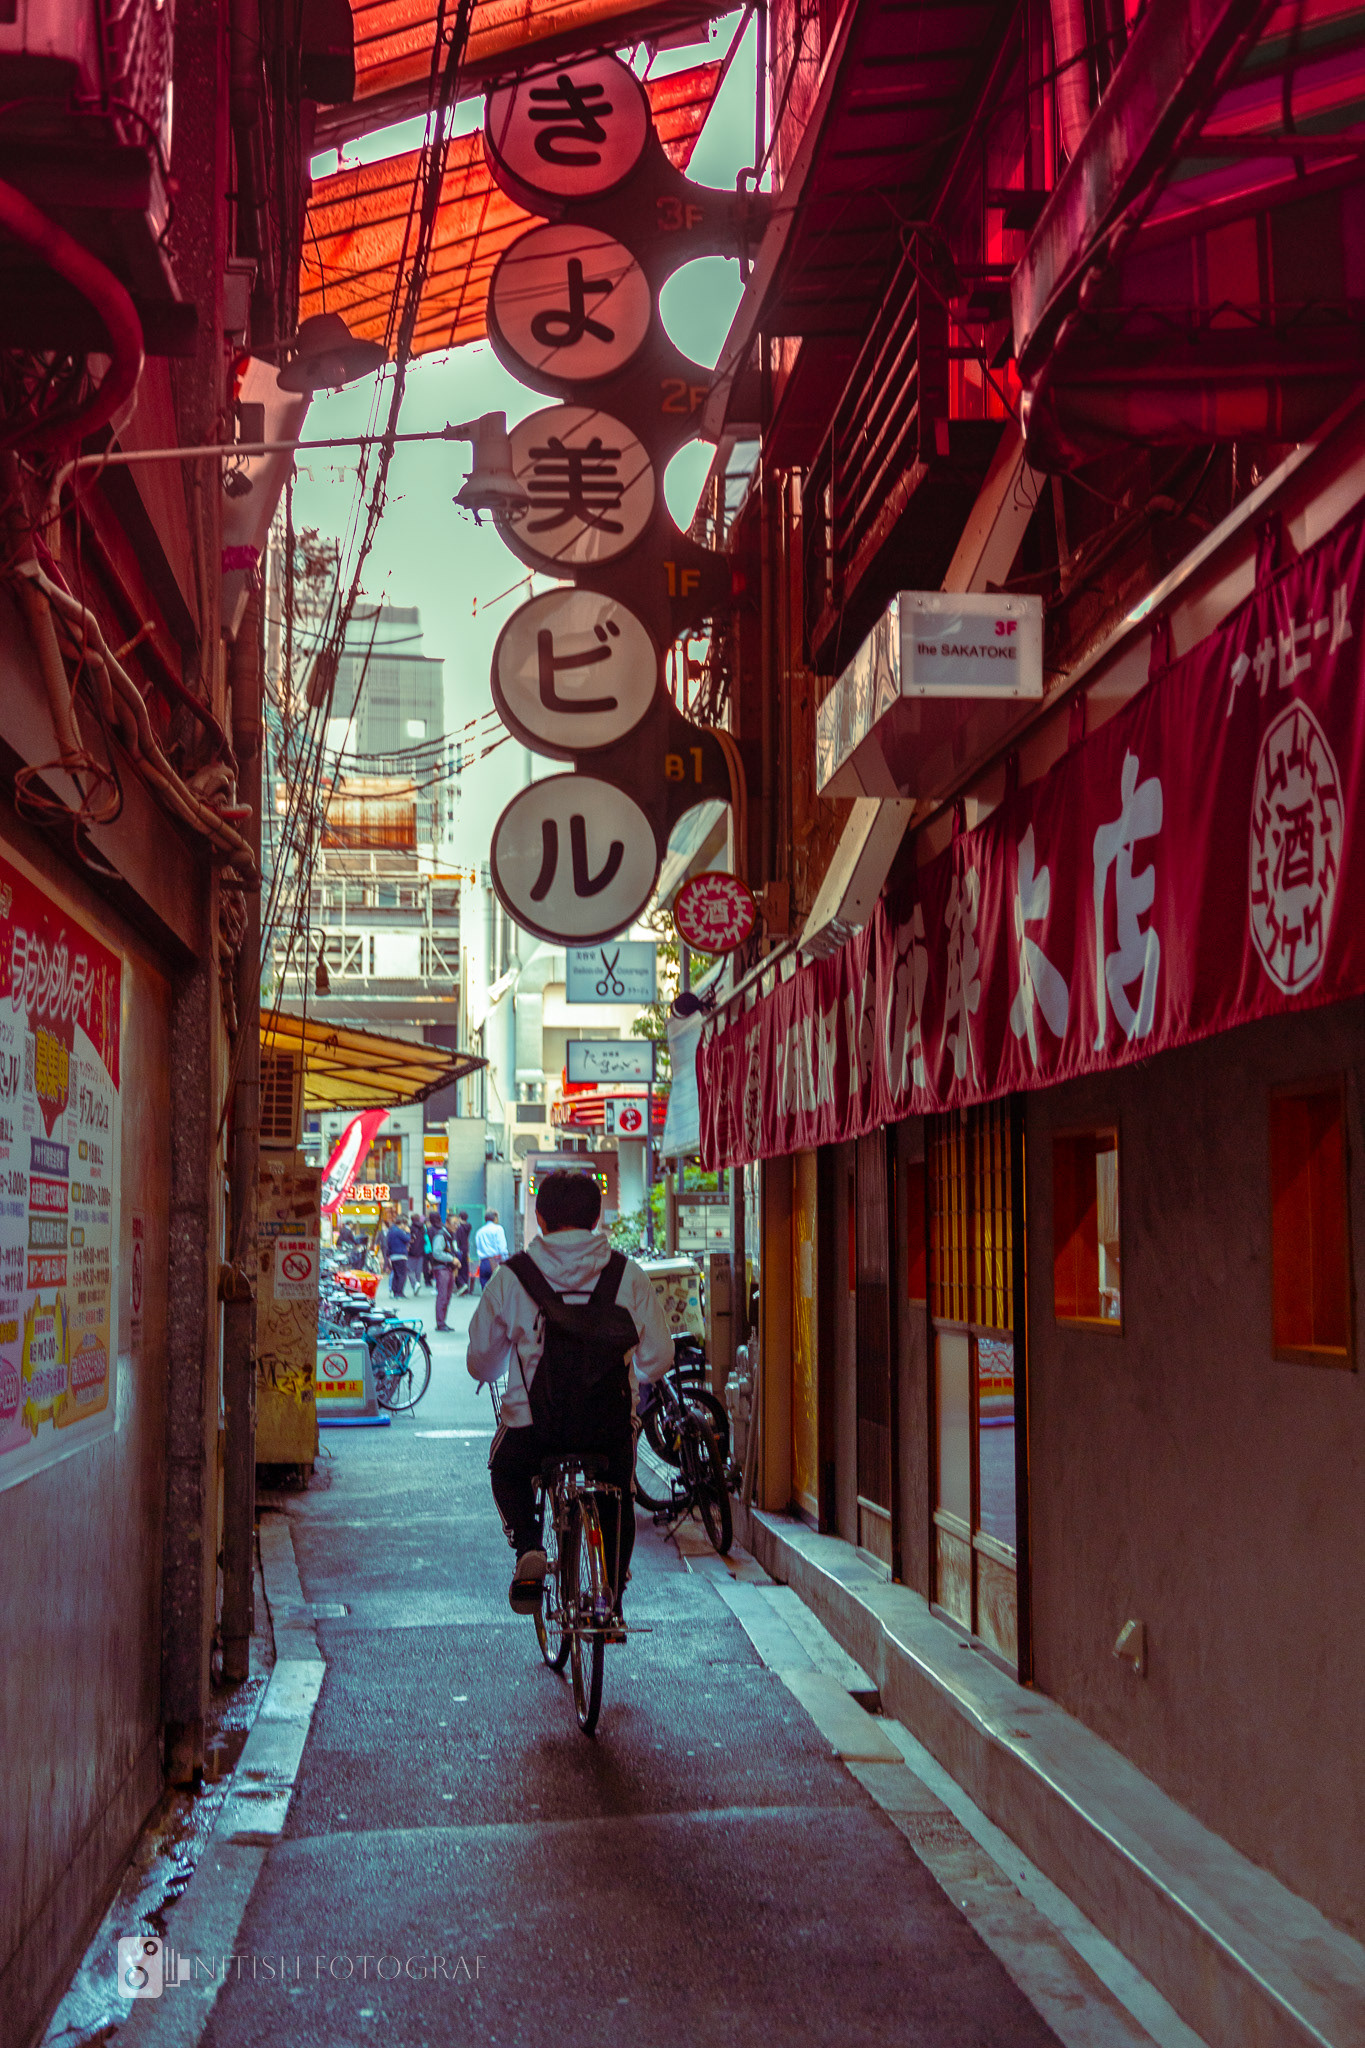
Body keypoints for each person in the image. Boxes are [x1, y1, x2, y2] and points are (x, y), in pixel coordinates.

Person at [467, 1169, 672, 1618]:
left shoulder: (511, 1277)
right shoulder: (627, 1275)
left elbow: (482, 1361)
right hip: (607, 1427)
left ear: (539, 1218)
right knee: (619, 1490)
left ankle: (527, 1547)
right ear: (597, 1218)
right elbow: (658, 1358)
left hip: (534, 1429)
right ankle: (612, 1595)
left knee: (505, 1467)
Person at [430, 1210, 458, 1330]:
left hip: (447, 1268)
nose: (456, 1226)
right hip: (442, 1268)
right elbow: (437, 1252)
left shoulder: (449, 1235)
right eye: (454, 1223)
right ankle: (440, 1323)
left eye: (457, 1224)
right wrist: (451, 1259)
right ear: (447, 1223)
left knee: (446, 1296)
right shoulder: (441, 1235)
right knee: (443, 1296)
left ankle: (442, 1322)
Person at [473, 1209, 508, 1289]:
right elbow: (502, 1248)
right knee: (497, 1291)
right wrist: (505, 1261)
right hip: (495, 1262)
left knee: (485, 1291)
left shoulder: (479, 1232)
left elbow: (478, 1247)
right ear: (495, 1218)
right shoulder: (498, 1229)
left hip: (483, 1263)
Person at [384, 1212, 410, 1297]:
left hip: (393, 1255)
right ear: (402, 1224)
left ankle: (395, 1292)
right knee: (402, 1275)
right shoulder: (399, 1231)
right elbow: (407, 1239)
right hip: (400, 1255)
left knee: (396, 1274)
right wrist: (408, 1232)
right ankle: (399, 1293)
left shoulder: (391, 1230)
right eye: (405, 1225)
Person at [453, 1210, 472, 1295]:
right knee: (465, 1268)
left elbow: (457, 1240)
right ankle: (465, 1285)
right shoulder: (468, 1227)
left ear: (460, 1217)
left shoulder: (459, 1228)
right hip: (466, 1249)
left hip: (460, 1250)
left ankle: (462, 1284)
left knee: (458, 1268)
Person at [407, 1209, 426, 1291]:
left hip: (411, 1251)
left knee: (409, 1269)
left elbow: (408, 1239)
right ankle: (417, 1283)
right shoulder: (423, 1228)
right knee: (418, 1270)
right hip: (421, 1252)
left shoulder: (410, 1228)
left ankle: (415, 1284)